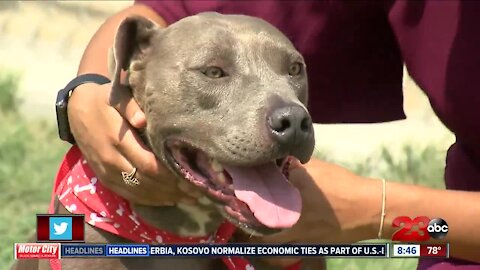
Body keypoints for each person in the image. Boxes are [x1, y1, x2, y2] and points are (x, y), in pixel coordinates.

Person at [66, 1, 480, 269]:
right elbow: (165, 10)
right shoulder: (76, 230)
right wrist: (85, 93)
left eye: (293, 71)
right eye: (214, 72)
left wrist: (377, 212)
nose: (290, 112)